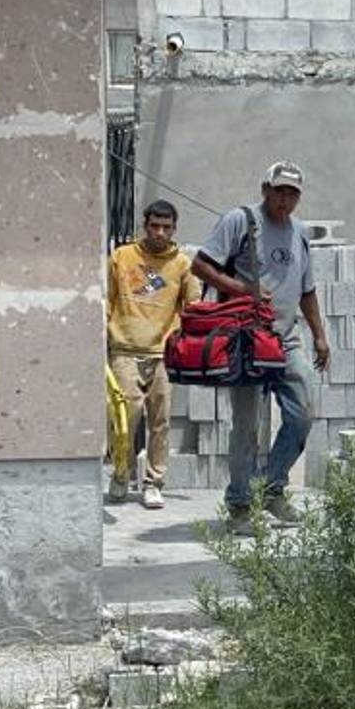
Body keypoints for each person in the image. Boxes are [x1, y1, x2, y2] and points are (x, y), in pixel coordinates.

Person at [191, 161, 330, 527]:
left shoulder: (299, 232)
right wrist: (244, 288)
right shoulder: (240, 221)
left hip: (286, 339)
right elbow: (200, 266)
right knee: (248, 425)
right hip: (245, 340)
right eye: (279, 190)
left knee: (302, 414)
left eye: (293, 193)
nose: (285, 199)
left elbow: (307, 289)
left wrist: (319, 335)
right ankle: (239, 504)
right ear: (265, 188)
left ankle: (272, 489)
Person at [106, 199, 202, 509]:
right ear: (145, 226)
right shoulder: (122, 257)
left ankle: (153, 482)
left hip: (163, 352)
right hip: (124, 348)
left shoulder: (182, 264)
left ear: (174, 229)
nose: (160, 232)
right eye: (154, 226)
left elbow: (194, 307)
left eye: (166, 227)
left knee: (159, 420)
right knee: (125, 416)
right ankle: (121, 474)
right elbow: (107, 299)